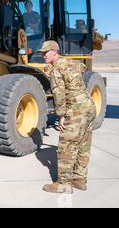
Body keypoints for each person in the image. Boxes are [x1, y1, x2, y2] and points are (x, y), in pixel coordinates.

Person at [38, 41, 96, 194]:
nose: (43, 55)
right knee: (83, 145)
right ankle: (79, 180)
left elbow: (59, 95)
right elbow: (83, 68)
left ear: (54, 52)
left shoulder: (56, 70)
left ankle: (63, 184)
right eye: (42, 53)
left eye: (46, 52)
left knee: (66, 146)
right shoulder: (73, 63)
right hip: (89, 107)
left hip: (76, 111)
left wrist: (61, 115)